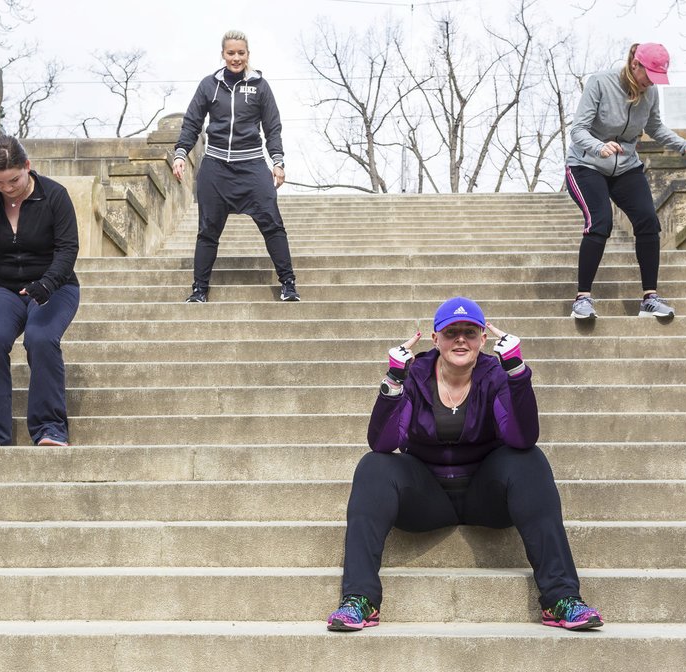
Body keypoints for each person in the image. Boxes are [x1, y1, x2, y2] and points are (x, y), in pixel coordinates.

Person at [326, 297, 603, 632]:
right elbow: (384, 444)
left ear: (483, 339)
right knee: (373, 466)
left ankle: (562, 598)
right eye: (451, 332)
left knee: (530, 459)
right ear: (435, 339)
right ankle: (360, 599)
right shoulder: (414, 376)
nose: (461, 339)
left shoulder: (495, 374)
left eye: (470, 332)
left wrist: (516, 373)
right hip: (426, 497)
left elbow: (521, 438)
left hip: (486, 495)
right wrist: (393, 382)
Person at [565, 42, 686, 320]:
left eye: (657, 78)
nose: (651, 83)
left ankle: (650, 299)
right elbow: (578, 130)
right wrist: (598, 147)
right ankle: (582, 299)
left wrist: (684, 145)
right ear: (634, 64)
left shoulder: (650, 93)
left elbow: (654, 127)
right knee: (600, 222)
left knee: (648, 222)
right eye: (648, 75)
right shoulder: (600, 83)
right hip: (586, 165)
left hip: (626, 166)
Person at [0, 135, 80, 447]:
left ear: (27, 166)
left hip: (55, 286)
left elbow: (68, 250)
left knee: (40, 339)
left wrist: (47, 284)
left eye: (13, 179)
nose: (7, 188)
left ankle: (50, 428)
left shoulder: (55, 196)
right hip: (6, 288)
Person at [171, 29, 299, 303]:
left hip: (252, 167)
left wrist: (277, 161)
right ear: (223, 54)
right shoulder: (209, 85)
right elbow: (192, 122)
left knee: (273, 225)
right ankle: (199, 289)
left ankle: (288, 284)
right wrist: (181, 153)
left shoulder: (260, 86)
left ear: (248, 55)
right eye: (231, 53)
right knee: (207, 231)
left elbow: (272, 127)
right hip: (216, 168)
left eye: (241, 53)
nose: (236, 58)